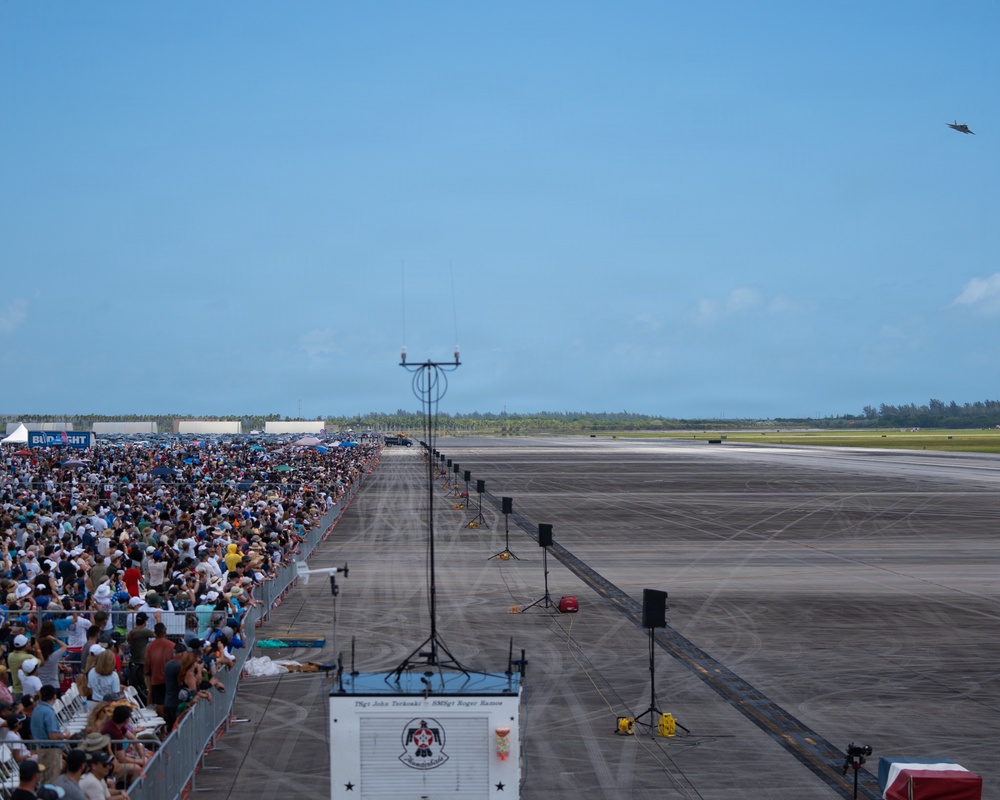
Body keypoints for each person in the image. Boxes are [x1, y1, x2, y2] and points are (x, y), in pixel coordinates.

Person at [29, 685, 70, 778]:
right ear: (54, 696)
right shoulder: (48, 712)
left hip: (42, 749)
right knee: (52, 780)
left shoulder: (36, 710)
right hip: (50, 752)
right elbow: (53, 736)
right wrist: (64, 735)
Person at [143, 623, 173, 716]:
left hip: (156, 678)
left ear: (155, 633)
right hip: (169, 679)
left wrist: (146, 673)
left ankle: (162, 722)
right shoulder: (172, 645)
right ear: (165, 631)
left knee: (159, 702)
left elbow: (147, 662)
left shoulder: (150, 646)